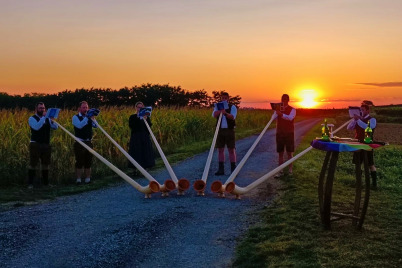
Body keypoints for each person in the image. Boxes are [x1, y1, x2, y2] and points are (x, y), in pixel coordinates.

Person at [28, 102, 58, 188]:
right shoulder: (32, 118)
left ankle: (46, 183)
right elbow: (36, 127)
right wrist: (44, 118)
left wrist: (52, 121)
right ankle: (30, 183)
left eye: (43, 108)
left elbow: (56, 127)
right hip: (35, 144)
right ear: (36, 109)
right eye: (40, 108)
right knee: (33, 163)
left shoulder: (47, 119)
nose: (42, 110)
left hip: (46, 144)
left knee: (45, 163)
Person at [347, 103, 378, 188]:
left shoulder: (372, 120)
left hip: (367, 144)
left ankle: (374, 184)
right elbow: (349, 128)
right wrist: (354, 120)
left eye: (363, 110)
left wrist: (358, 120)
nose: (361, 111)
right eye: (360, 110)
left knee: (370, 164)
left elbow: (367, 127)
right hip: (358, 144)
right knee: (357, 164)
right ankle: (358, 183)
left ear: (368, 111)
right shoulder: (357, 120)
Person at [72, 101, 97, 184]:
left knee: (88, 161)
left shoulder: (89, 118)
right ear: (79, 109)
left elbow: (96, 126)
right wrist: (87, 117)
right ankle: (78, 179)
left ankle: (88, 179)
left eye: (86, 107)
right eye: (83, 107)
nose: (85, 109)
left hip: (88, 141)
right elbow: (79, 126)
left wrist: (93, 118)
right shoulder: (75, 117)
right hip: (80, 142)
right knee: (79, 161)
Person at [213, 92, 237, 175]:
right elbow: (214, 115)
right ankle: (221, 169)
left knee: (231, 149)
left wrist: (225, 113)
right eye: (222, 98)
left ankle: (233, 169)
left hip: (229, 130)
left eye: (225, 98)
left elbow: (233, 117)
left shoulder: (232, 107)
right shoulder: (217, 106)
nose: (224, 99)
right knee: (220, 149)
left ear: (228, 99)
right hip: (219, 130)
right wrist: (220, 111)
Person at [128, 102, 155, 173]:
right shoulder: (132, 116)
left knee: (145, 151)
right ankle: (135, 169)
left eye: (141, 107)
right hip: (136, 137)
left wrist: (145, 119)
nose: (140, 108)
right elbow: (131, 126)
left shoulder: (146, 117)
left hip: (144, 136)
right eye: (138, 107)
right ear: (136, 108)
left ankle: (146, 167)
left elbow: (149, 126)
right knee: (136, 152)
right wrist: (138, 117)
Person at [273, 94, 296, 178]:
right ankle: (280, 171)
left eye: (286, 99)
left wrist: (281, 114)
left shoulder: (293, 110)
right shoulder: (278, 109)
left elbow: (290, 118)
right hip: (280, 133)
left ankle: (290, 171)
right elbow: (273, 118)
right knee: (280, 153)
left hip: (289, 133)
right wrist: (276, 112)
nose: (284, 101)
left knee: (289, 153)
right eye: (283, 99)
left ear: (288, 100)